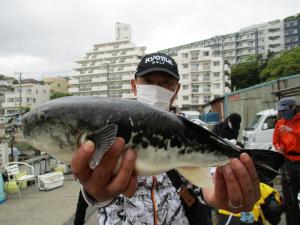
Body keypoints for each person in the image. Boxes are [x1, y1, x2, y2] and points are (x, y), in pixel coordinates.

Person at [71, 53, 261, 225]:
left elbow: (208, 181)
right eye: (148, 81)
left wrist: (221, 196)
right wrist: (96, 193)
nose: (156, 89)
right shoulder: (112, 126)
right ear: (134, 85)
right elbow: (93, 181)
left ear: (176, 90)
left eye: (165, 83)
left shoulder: (195, 130)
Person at [273, 97, 300, 225]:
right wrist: (278, 148)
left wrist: (292, 131)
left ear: (293, 108)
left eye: (284, 110)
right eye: (280, 111)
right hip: (287, 162)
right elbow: (276, 141)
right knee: (289, 197)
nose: (282, 114)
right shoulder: (279, 123)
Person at [215, 182, 282, 225]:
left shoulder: (229, 184)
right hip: (248, 218)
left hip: (223, 217)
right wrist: (274, 222)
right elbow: (274, 209)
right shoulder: (266, 188)